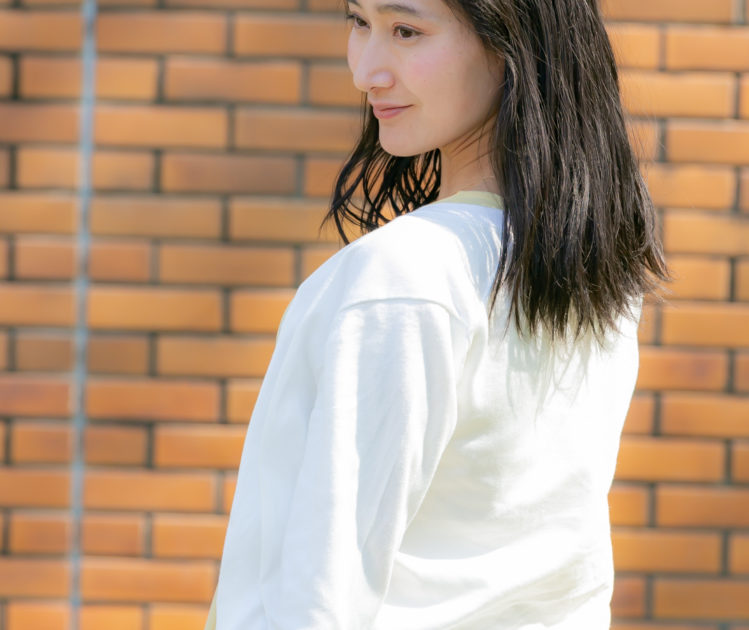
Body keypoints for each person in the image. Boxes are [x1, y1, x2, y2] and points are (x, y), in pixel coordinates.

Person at [205, 0, 667, 627]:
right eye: (358, 22)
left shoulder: (403, 275)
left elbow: (325, 589)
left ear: (511, 42)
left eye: (406, 31)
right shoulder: (599, 273)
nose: (366, 72)